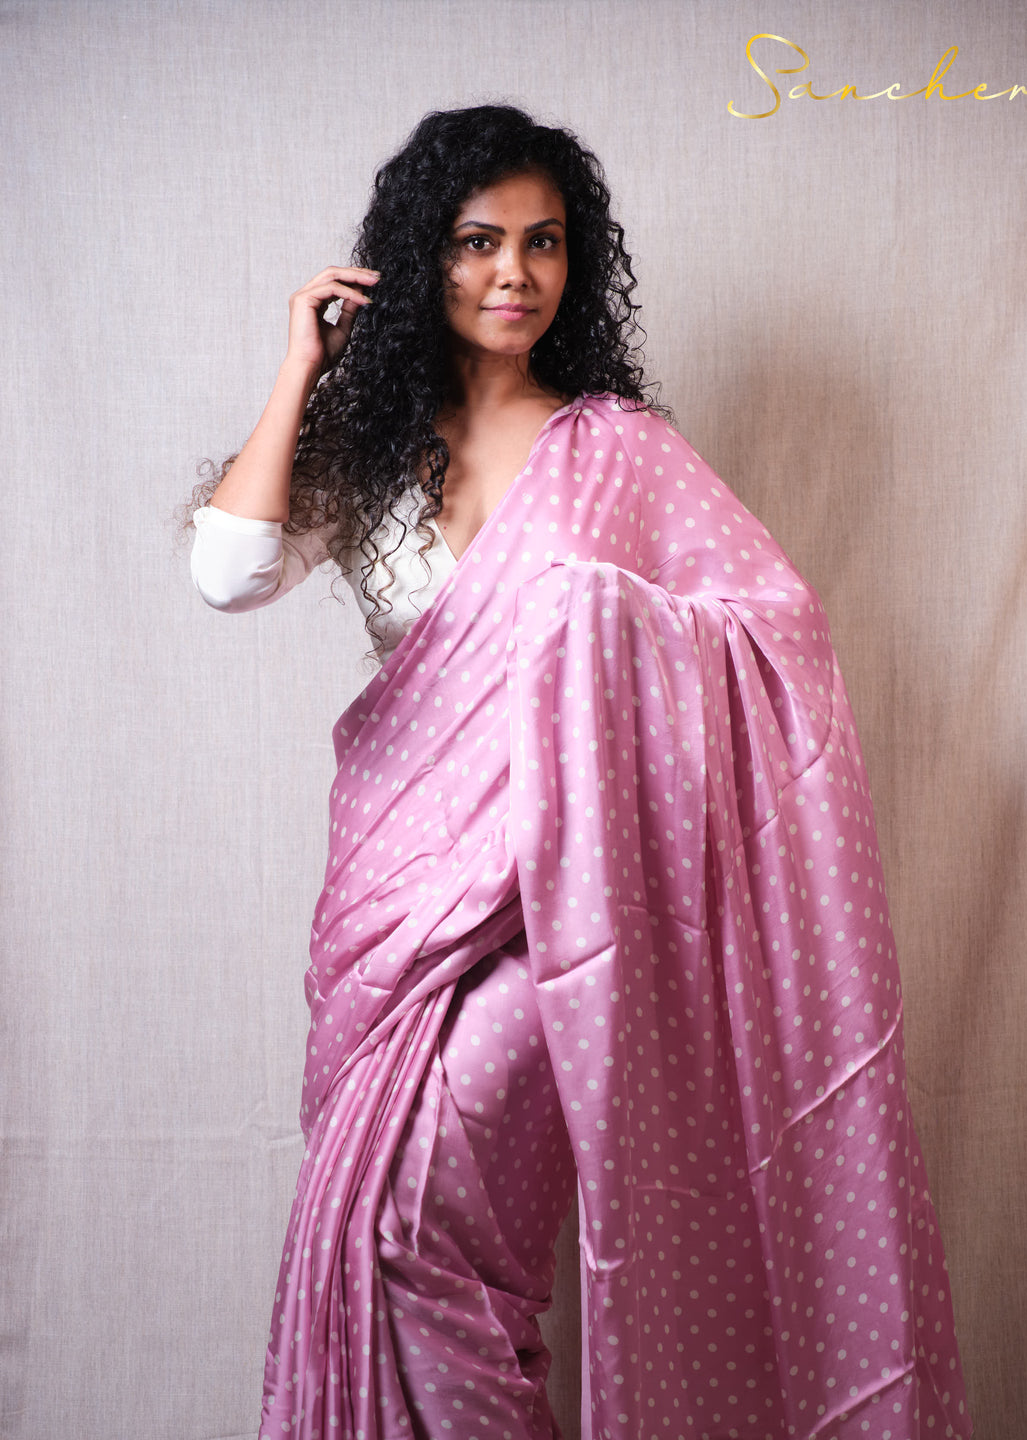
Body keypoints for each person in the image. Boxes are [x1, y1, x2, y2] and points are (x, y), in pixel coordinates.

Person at [190, 106, 970, 1440]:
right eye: (478, 241)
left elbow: (772, 632)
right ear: (420, 258)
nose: (514, 272)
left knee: (424, 1238)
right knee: (401, 1247)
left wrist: (606, 626)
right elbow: (230, 572)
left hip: (561, 915)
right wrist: (300, 369)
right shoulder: (372, 453)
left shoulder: (618, 452)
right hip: (393, 912)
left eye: (543, 242)